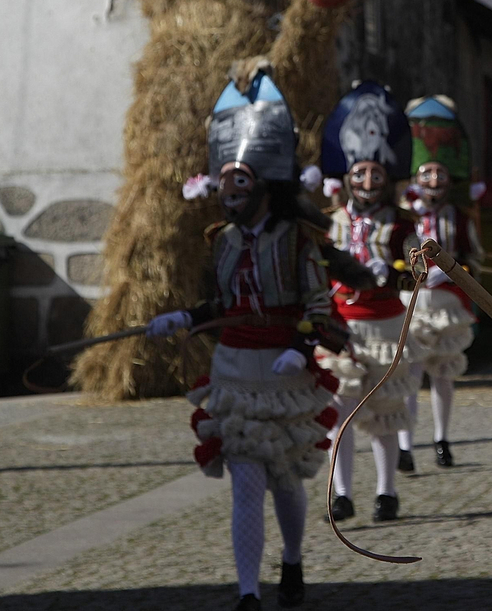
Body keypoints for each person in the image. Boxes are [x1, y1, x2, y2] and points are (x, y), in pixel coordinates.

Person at [150, 69, 344, 610]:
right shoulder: (223, 242)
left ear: (263, 185)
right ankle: (248, 592)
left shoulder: (297, 239)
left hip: (284, 374)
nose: (230, 193)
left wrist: (300, 350)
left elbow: (319, 303)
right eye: (225, 182)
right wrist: (183, 318)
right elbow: (220, 303)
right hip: (234, 372)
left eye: (240, 182)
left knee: (285, 479)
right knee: (245, 482)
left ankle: (293, 559)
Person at [317, 81, 418, 521]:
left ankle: (386, 492)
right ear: (347, 177)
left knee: (383, 413)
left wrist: (397, 270)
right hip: (341, 326)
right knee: (338, 412)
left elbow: (417, 269)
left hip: (384, 325)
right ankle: (341, 495)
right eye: (359, 173)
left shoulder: (401, 224)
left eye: (376, 174)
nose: (367, 181)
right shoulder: (329, 224)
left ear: (388, 177)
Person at [399, 96, 483, 468]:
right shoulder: (403, 217)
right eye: (426, 173)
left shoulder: (459, 216)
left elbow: (475, 256)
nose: (433, 180)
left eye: (439, 173)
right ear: (415, 178)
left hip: (447, 304)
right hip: (412, 304)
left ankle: (441, 439)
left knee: (443, 375)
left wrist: (458, 271)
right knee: (409, 374)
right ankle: (404, 445)